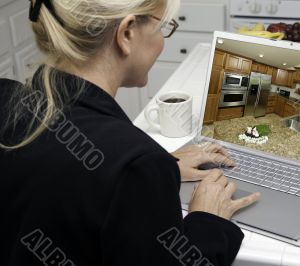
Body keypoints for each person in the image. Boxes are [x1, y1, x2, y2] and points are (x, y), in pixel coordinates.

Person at [0, 0, 260, 265]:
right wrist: (208, 221)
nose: (162, 42)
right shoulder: (135, 163)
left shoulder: (6, 96)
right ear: (126, 33)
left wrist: (151, 171)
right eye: (163, 29)